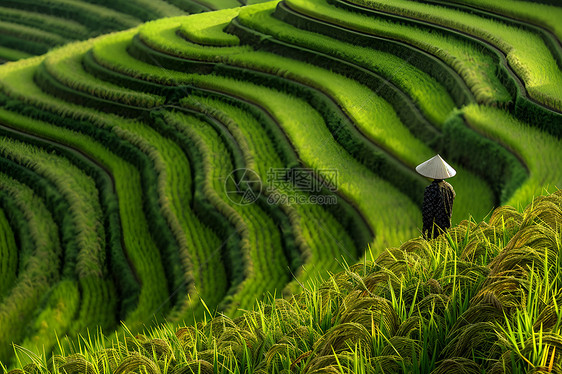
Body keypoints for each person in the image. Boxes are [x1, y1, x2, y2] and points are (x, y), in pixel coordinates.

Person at [416, 154, 456, 239]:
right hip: (446, 228)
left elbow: (428, 213)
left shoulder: (431, 189)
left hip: (434, 231)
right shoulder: (450, 188)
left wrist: (425, 230)